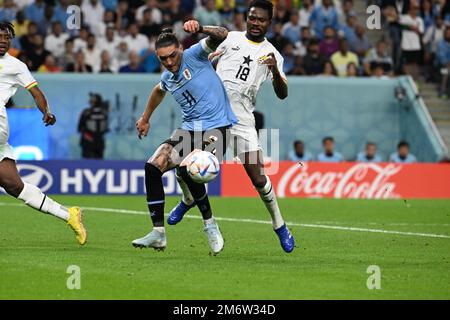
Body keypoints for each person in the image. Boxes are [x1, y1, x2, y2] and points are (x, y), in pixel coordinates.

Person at [168, 0, 295, 253]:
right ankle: (187, 198)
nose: (255, 23)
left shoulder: (273, 54)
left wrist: (275, 72)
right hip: (212, 115)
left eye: (261, 19)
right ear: (246, 18)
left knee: (258, 177)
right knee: (182, 166)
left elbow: (282, 94)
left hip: (244, 121)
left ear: (269, 23)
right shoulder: (231, 38)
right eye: (252, 18)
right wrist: (200, 30)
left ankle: (279, 225)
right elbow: (210, 43)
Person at [132, 25, 237, 255]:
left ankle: (210, 223)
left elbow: (223, 34)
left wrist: (200, 28)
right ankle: (158, 234)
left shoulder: (195, 54)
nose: (169, 62)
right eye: (163, 59)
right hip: (188, 131)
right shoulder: (168, 76)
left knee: (190, 168)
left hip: (217, 128)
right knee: (152, 166)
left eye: (172, 55)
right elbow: (159, 90)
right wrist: (145, 117)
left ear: (180, 48)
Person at [0, 22, 86, 245]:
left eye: (7, 37)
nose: (3, 41)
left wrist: (47, 111)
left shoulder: (16, 66)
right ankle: (69, 215)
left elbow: (36, 93)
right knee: (14, 185)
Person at [78, 93, 109, 159]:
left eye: (93, 99)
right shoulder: (86, 112)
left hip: (97, 142)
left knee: (96, 163)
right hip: (89, 142)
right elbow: (80, 128)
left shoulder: (104, 112)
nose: (91, 100)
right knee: (88, 162)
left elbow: (80, 128)